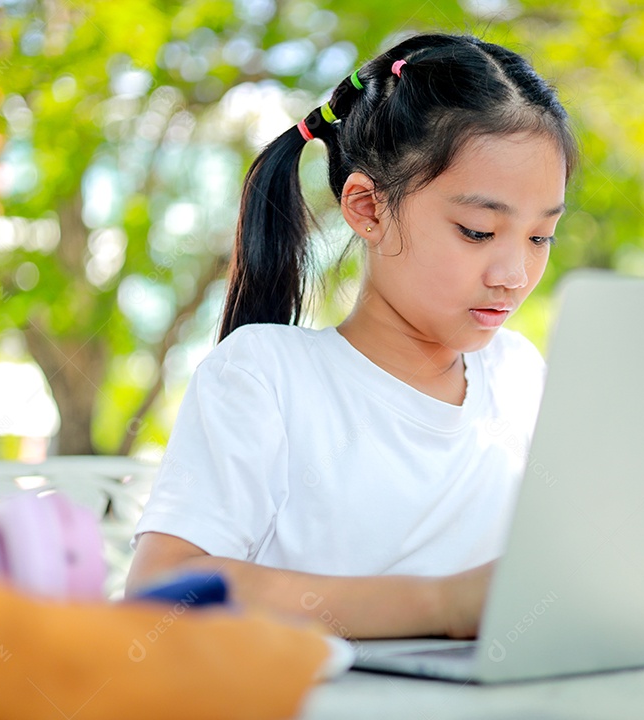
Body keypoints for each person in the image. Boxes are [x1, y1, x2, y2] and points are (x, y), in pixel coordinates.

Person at [126, 31, 580, 640]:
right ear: (367, 208)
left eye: (539, 237)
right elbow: (162, 591)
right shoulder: (267, 377)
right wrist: (441, 606)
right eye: (477, 231)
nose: (514, 275)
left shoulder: (520, 376)